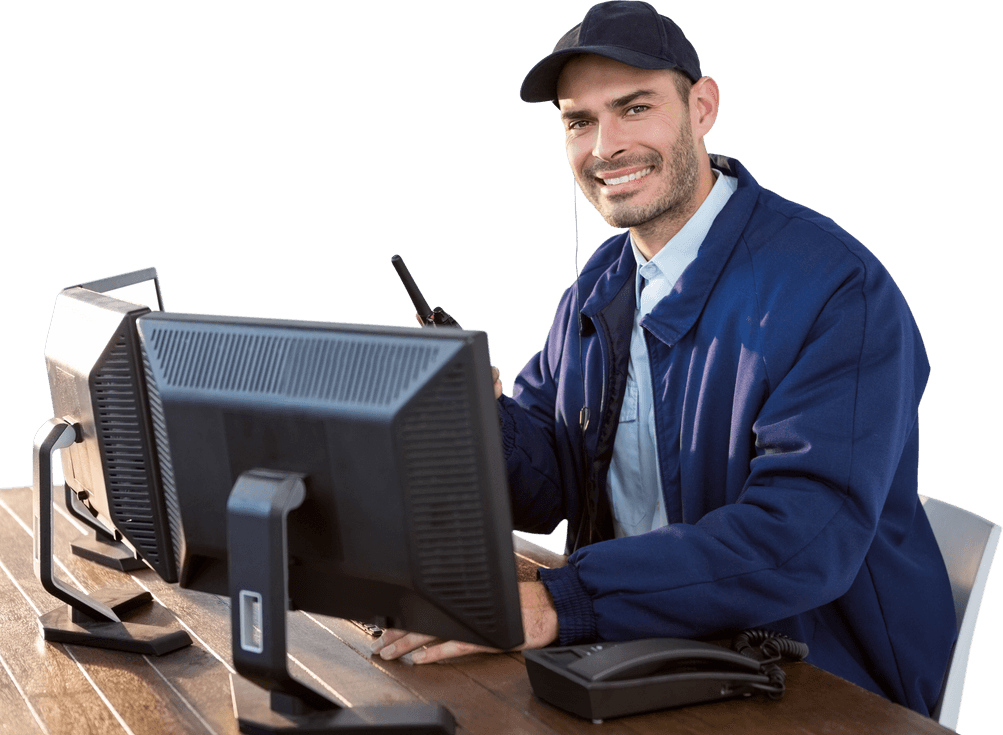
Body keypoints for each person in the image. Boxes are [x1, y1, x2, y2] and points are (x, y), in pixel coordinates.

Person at [373, 0, 956, 716]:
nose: (603, 146)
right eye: (578, 122)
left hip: (813, 680)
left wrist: (562, 602)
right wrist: (474, 413)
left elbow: (804, 536)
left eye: (634, 107)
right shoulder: (599, 286)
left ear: (702, 107)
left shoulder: (837, 289)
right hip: (632, 650)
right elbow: (548, 482)